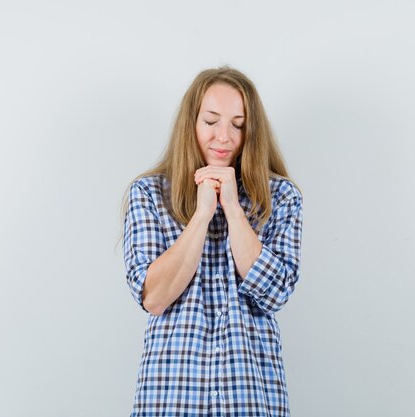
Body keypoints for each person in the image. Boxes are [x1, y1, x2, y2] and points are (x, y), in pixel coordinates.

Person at [121, 66, 304, 417]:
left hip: (250, 398)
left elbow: (276, 292)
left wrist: (234, 209)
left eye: (238, 124)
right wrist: (202, 214)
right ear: (191, 123)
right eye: (211, 121)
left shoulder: (282, 197)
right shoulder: (148, 194)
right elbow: (154, 298)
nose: (224, 136)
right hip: (171, 397)